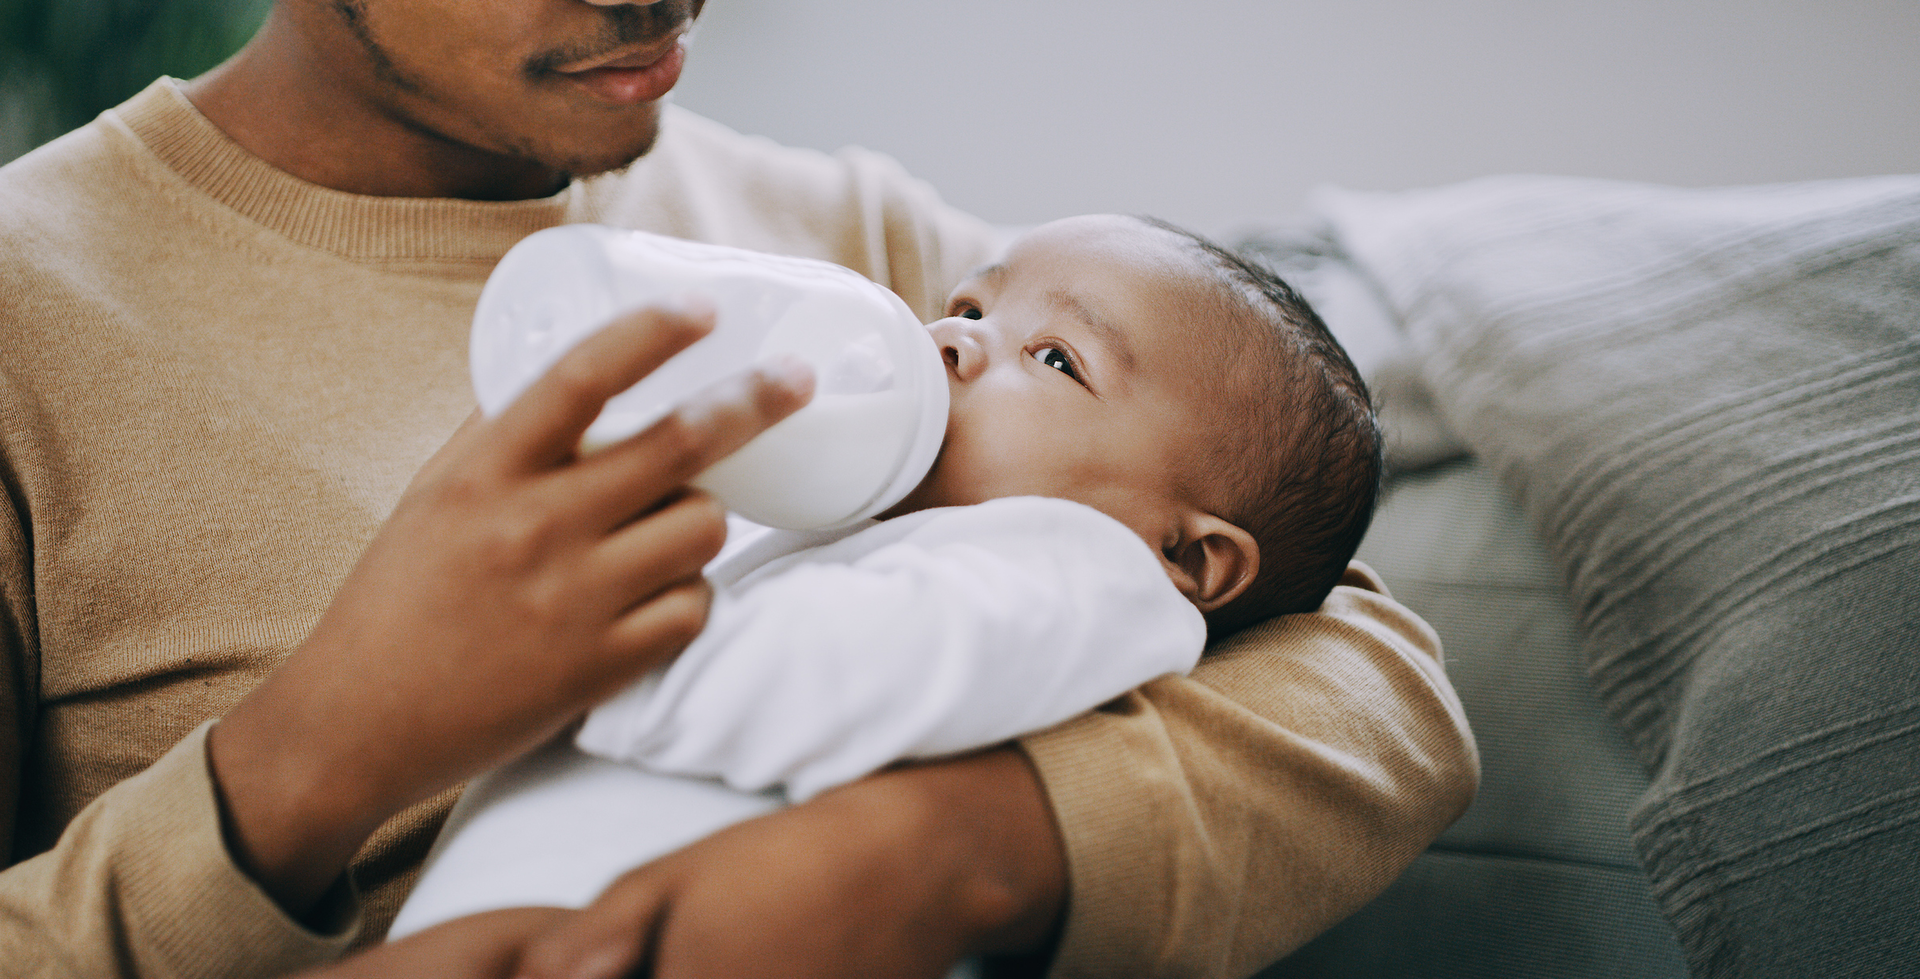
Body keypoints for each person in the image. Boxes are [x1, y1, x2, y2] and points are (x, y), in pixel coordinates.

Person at [0, 2, 1478, 977]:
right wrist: (314, 756)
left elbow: (1359, 657)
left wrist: (954, 848)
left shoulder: (844, 231)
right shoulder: (30, 317)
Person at [387, 212, 1386, 939]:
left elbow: (818, 672)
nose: (952, 340)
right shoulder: (853, 512)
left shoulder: (1083, 570)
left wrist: (554, 649)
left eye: (1051, 358)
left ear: (1188, 556)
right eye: (970, 304)